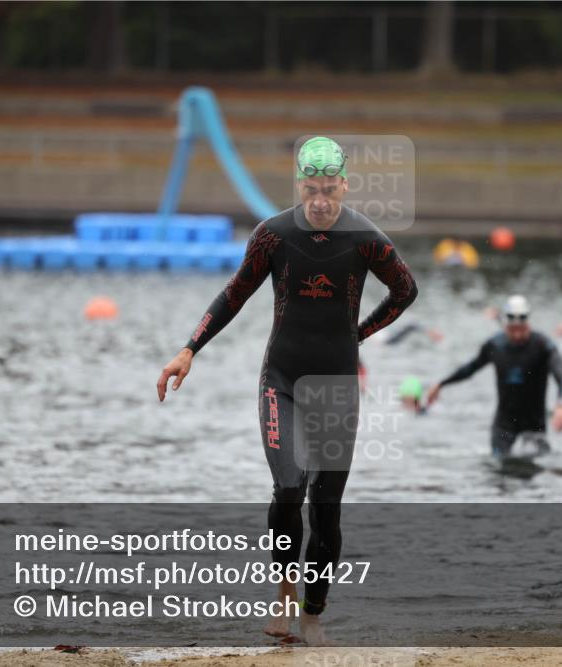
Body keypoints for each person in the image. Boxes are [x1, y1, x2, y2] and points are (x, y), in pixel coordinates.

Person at [157, 136, 418, 646]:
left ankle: (314, 614)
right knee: (290, 486)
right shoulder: (273, 235)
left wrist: (358, 333)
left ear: (344, 184)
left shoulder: (366, 239)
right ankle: (282, 594)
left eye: (329, 189)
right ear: (298, 185)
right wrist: (189, 348)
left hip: (337, 385)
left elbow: (405, 291)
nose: (320, 200)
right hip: (282, 380)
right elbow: (234, 293)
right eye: (310, 189)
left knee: (326, 508)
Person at [426, 295, 562, 457]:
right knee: (499, 474)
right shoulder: (495, 345)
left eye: (521, 330)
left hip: (534, 427)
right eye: (512, 330)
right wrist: (441, 384)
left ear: (528, 324)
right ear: (505, 326)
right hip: (504, 426)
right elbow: (470, 368)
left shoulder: (543, 345)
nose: (517, 335)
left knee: (533, 476)